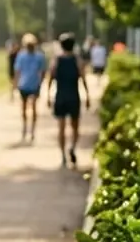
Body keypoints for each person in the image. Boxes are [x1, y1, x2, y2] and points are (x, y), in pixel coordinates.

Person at [48, 34, 89, 168]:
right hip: (73, 96)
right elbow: (83, 79)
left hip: (60, 96)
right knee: (75, 127)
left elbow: (51, 77)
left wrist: (48, 94)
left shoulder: (56, 60)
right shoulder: (77, 61)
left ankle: (62, 155)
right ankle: (72, 147)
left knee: (61, 127)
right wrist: (87, 95)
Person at [13, 33, 47, 143]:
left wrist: (41, 82)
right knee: (24, 108)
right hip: (24, 84)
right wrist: (16, 83)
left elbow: (42, 71)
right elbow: (17, 71)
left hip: (34, 84)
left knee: (33, 107)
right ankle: (25, 127)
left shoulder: (39, 56)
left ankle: (32, 130)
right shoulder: (21, 56)